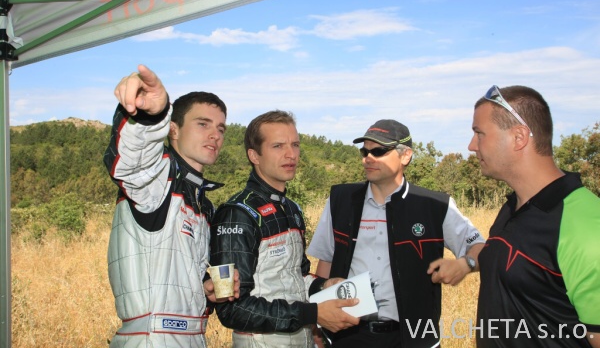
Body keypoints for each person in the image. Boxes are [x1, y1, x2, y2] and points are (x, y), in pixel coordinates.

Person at [307, 119, 485, 347]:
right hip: (346, 335)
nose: (368, 158)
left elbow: (480, 248)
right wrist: (319, 321)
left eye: (379, 151)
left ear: (405, 156)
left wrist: (466, 264)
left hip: (412, 339)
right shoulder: (340, 200)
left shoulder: (436, 206)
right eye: (364, 151)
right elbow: (326, 261)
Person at [104, 64, 239, 348]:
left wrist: (206, 289)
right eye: (203, 124)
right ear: (173, 130)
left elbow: (177, 278)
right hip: (152, 339)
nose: (215, 135)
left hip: (192, 337)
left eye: (221, 128)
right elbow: (134, 162)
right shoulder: (159, 180)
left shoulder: (203, 203)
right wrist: (150, 115)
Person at [209, 110, 360, 347]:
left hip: (303, 339)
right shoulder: (236, 213)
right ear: (254, 155)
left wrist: (323, 285)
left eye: (295, 145)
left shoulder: (292, 209)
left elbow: (297, 277)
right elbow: (232, 309)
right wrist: (312, 314)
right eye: (278, 146)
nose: (291, 154)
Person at [469, 85, 600, 348]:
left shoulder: (584, 223)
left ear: (519, 137)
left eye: (479, 134)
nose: (472, 146)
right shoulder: (511, 207)